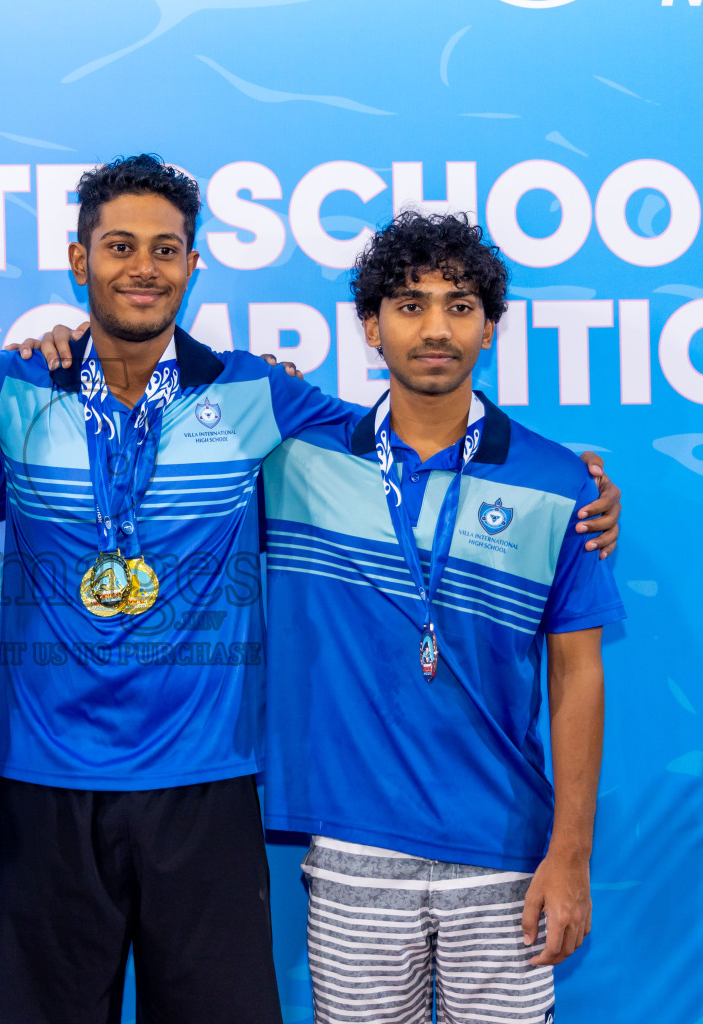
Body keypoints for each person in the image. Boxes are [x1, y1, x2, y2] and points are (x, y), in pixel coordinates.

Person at [0, 156, 622, 1023]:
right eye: (120, 246)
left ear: (193, 265)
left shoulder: (259, 394)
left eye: (165, 249)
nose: (143, 267)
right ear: (78, 257)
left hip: (206, 786)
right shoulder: (4, 388)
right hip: (45, 789)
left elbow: (404, 441)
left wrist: (574, 483)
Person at [260, 212, 625, 1023]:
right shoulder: (297, 458)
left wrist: (571, 854)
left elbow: (577, 674)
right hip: (354, 849)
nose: (435, 328)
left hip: (505, 857)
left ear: (490, 327)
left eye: (460, 306)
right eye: (410, 304)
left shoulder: (559, 481)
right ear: (371, 326)